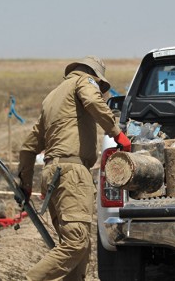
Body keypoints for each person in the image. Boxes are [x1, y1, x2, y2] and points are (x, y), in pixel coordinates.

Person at [17, 56, 131, 280]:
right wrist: (116, 132)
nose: (98, 88)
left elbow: (28, 147)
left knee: (79, 249)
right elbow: (93, 102)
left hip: (53, 173)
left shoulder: (52, 97)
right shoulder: (84, 81)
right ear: (94, 75)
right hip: (72, 173)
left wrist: (26, 183)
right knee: (76, 243)